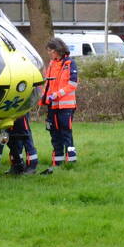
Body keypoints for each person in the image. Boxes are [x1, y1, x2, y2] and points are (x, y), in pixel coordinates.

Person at [40, 37, 78, 167]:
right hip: (53, 105)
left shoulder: (70, 63)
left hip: (66, 106)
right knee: (54, 132)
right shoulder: (51, 64)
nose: (49, 53)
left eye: (50, 50)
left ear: (57, 50)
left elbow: (72, 84)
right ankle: (57, 160)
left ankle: (71, 160)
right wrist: (43, 98)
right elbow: (48, 83)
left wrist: (57, 94)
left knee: (65, 132)